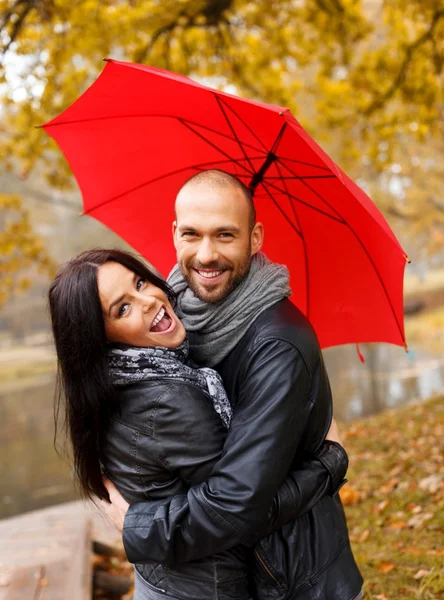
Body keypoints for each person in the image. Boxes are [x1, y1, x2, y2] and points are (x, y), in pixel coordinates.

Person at [103, 170, 364, 600]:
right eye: (192, 234)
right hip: (222, 570)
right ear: (174, 234)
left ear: (254, 237)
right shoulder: (172, 314)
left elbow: (238, 503)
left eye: (225, 235)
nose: (206, 255)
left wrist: (141, 527)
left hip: (294, 575)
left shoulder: (276, 345)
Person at [49, 247, 348, 600]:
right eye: (123, 308)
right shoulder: (169, 400)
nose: (147, 300)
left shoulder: (115, 383)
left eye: (141, 282)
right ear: (99, 336)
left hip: (161, 581)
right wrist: (330, 462)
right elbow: (243, 510)